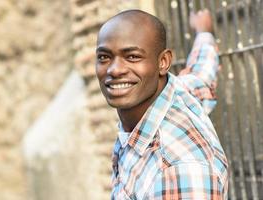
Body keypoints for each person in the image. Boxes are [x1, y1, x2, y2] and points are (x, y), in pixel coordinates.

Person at [95, 9, 228, 200]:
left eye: (132, 56)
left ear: (163, 62)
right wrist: (204, 33)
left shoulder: (178, 171)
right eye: (104, 57)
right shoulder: (179, 93)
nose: (115, 70)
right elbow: (201, 76)